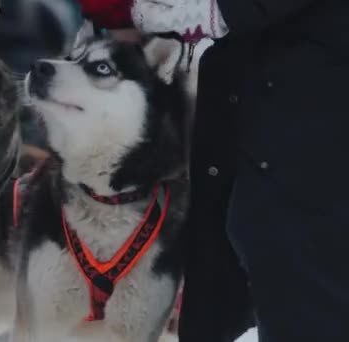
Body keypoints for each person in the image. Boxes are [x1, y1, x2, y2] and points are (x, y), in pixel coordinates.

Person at [73, 1, 349, 342]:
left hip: (314, 80)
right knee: (221, 283)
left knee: (296, 261)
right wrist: (111, 15)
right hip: (229, 77)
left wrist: (221, 9)